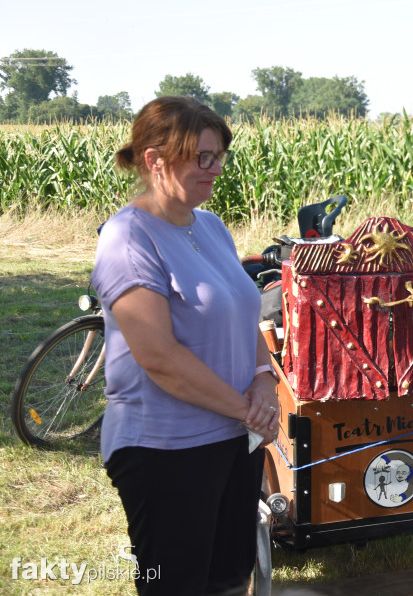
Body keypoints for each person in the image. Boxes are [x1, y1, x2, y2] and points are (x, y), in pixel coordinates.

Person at [92, 96, 279, 596]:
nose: (216, 169)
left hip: (235, 440)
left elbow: (243, 315)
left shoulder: (212, 227)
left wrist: (264, 381)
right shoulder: (128, 237)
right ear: (154, 160)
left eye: (219, 156)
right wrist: (247, 409)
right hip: (165, 448)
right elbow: (160, 359)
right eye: (202, 157)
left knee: (228, 580)